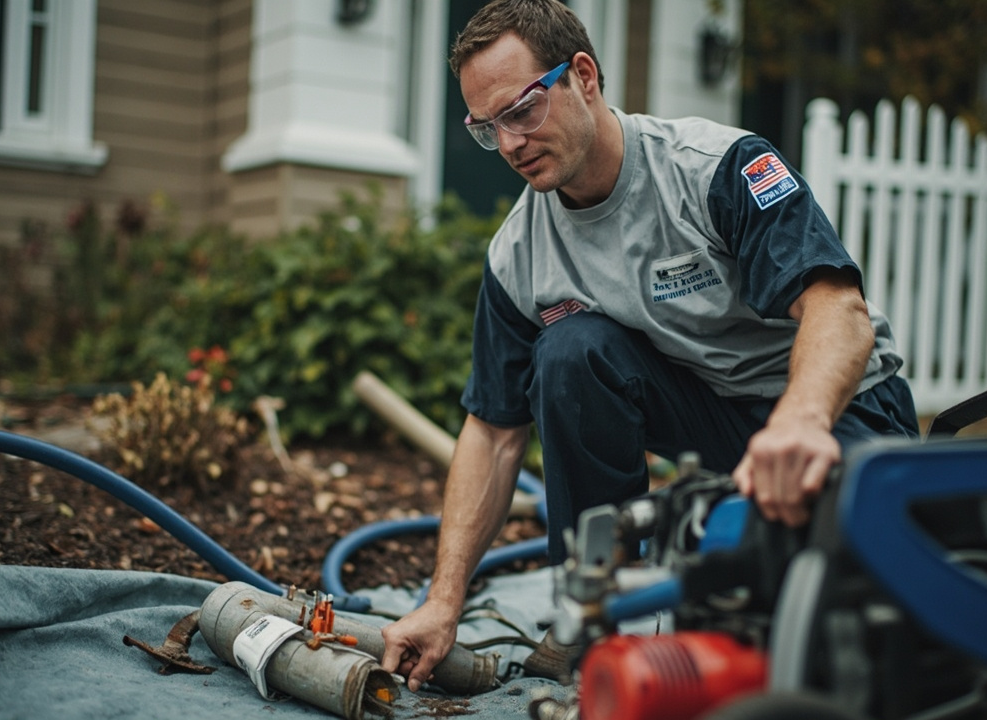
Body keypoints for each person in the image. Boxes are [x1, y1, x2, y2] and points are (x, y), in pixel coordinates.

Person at [380, 0, 919, 691]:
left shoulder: (715, 166)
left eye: (521, 111)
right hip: (720, 420)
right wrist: (443, 603)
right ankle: (596, 612)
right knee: (570, 352)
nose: (510, 144)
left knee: (830, 625)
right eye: (488, 129)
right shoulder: (519, 254)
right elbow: (492, 431)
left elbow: (837, 308)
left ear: (583, 76)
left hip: (841, 415)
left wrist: (800, 423)